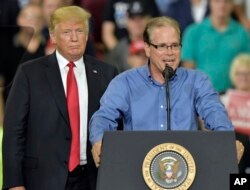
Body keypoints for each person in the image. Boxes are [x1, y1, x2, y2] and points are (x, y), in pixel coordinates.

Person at [89, 16, 240, 167]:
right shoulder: (125, 82)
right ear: (147, 49)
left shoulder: (197, 81)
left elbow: (214, 111)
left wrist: (226, 139)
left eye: (175, 45)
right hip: (136, 167)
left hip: (186, 167)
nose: (170, 52)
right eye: (162, 46)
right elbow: (104, 117)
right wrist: (99, 140)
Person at [2, 5, 117, 190]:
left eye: (79, 31)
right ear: (53, 36)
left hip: (93, 179)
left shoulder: (106, 73)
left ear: (87, 35)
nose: (74, 38)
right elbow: (14, 132)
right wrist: (14, 183)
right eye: (66, 32)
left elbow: (116, 125)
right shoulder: (29, 73)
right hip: (41, 179)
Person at [181, 0, 250, 93]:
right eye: (217, 1)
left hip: (233, 96)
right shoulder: (193, 32)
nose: (222, 5)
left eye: (227, 2)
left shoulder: (242, 33)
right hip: (202, 95)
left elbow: (247, 66)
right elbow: (188, 70)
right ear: (210, 3)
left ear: (232, 4)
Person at [220, 53, 250, 173]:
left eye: (247, 73)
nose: (243, 77)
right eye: (239, 73)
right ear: (233, 75)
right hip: (230, 144)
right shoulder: (222, 97)